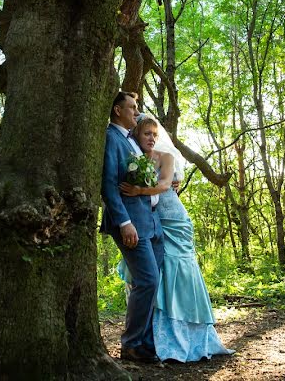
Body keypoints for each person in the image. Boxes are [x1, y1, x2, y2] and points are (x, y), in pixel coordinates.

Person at [119, 114, 234, 362]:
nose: (151, 138)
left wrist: (139, 189)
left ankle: (184, 336)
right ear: (137, 134)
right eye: (146, 133)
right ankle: (152, 337)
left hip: (175, 220)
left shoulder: (167, 157)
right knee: (155, 275)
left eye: (154, 134)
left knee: (180, 273)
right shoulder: (134, 159)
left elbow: (163, 185)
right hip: (152, 222)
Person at [99, 91, 164, 364]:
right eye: (132, 107)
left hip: (151, 223)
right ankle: (131, 344)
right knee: (146, 280)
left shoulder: (132, 141)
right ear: (117, 110)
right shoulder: (111, 138)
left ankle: (146, 342)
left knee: (154, 282)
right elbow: (109, 184)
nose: (136, 112)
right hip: (130, 223)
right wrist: (124, 223)